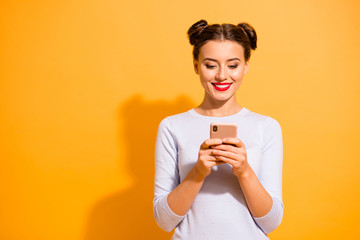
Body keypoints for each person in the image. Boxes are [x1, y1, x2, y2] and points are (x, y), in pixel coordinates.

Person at [153, 19, 283, 240]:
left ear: (246, 66)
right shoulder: (172, 126)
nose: (222, 75)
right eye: (211, 65)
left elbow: (271, 223)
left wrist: (244, 170)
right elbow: (164, 222)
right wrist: (198, 171)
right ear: (196, 66)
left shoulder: (266, 127)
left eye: (233, 65)